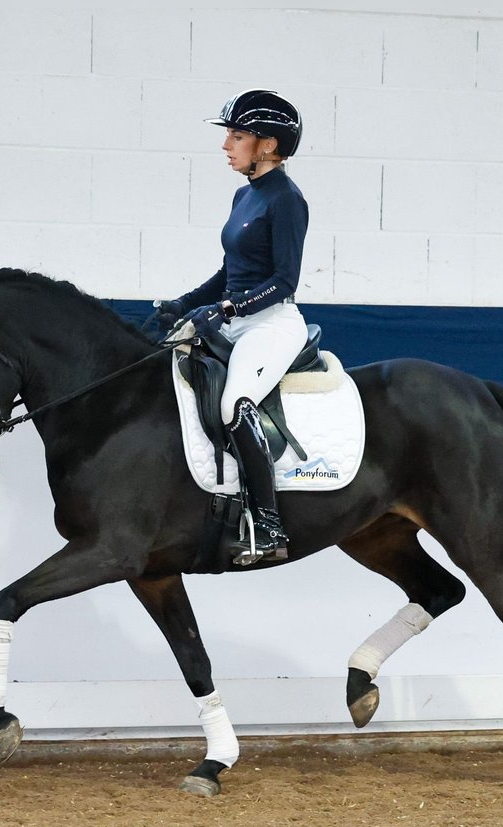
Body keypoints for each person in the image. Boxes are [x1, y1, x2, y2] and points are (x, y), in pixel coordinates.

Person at [156, 88, 310, 562]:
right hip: (237, 318)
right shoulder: (244, 195)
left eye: (237, 135)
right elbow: (229, 272)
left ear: (267, 145)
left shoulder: (286, 200)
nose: (226, 145)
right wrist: (185, 302)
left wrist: (224, 311)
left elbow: (284, 281)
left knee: (234, 404)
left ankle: (268, 528)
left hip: (270, 325)